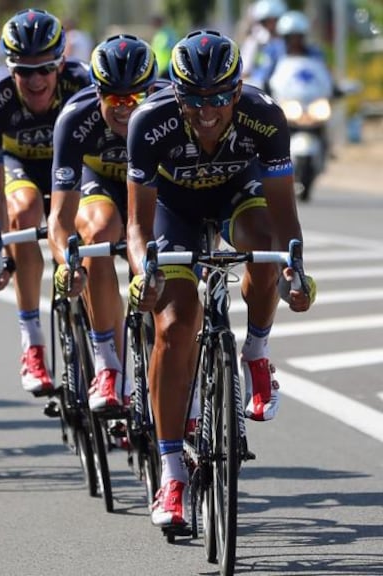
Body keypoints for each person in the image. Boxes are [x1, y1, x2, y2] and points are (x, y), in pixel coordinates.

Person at [125, 30, 316, 528]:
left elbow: (285, 218)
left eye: (218, 97)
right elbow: (137, 226)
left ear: (237, 90)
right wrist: (144, 272)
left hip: (238, 194)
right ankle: (171, 475)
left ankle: (256, 353)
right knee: (174, 324)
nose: (206, 111)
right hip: (173, 210)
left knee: (265, 243)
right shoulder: (150, 121)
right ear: (176, 92)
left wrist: (294, 270)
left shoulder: (265, 115)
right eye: (193, 98)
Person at [0, 9, 90, 396]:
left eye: (45, 69)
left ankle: (104, 348)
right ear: (10, 68)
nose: (36, 80)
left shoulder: (82, 83)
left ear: (61, 63)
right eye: (25, 71)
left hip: (72, 167)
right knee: (23, 211)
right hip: (19, 165)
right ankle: (32, 344)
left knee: (90, 224)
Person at [48, 34, 163, 412]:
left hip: (153, 188)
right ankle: (107, 365)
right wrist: (67, 264)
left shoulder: (171, 110)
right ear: (97, 92)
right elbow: (60, 217)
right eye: (114, 98)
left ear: (151, 91)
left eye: (135, 98)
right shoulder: (74, 118)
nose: (125, 108)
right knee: (97, 234)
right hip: (101, 184)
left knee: (168, 250)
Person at [248, 10, 330, 93]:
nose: (295, 41)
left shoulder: (315, 53)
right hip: (280, 96)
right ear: (283, 37)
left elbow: (324, 75)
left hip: (313, 95)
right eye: (290, 37)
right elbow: (262, 74)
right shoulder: (273, 51)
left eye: (298, 36)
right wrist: (263, 85)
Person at [240, 0, 286, 82]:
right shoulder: (254, 42)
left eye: (275, 20)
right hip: (259, 85)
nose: (272, 25)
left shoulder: (286, 43)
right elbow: (245, 70)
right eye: (267, 21)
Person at [150, 15, 177, 79]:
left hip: (167, 69)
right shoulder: (158, 34)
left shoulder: (168, 34)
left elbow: (173, 49)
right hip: (159, 70)